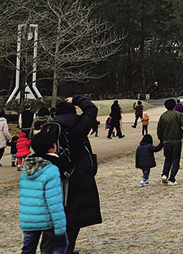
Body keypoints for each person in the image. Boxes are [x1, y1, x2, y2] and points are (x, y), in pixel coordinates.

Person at [50, 95, 101, 252]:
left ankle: (60, 248)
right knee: (75, 214)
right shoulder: (79, 125)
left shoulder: (52, 127)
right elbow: (92, 109)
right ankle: (67, 248)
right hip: (80, 173)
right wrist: (77, 99)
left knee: (61, 214)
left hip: (58, 175)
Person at [19, 131, 68, 254]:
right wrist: (60, 227)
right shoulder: (51, 170)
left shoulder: (26, 168)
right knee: (53, 247)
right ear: (52, 148)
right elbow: (54, 201)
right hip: (47, 220)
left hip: (29, 219)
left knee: (28, 249)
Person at [156, 98, 183, 186]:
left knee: (168, 159)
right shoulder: (178, 115)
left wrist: (161, 140)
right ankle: (172, 178)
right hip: (176, 140)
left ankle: (164, 174)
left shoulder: (163, 116)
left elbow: (159, 130)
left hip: (166, 141)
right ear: (174, 106)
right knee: (176, 160)